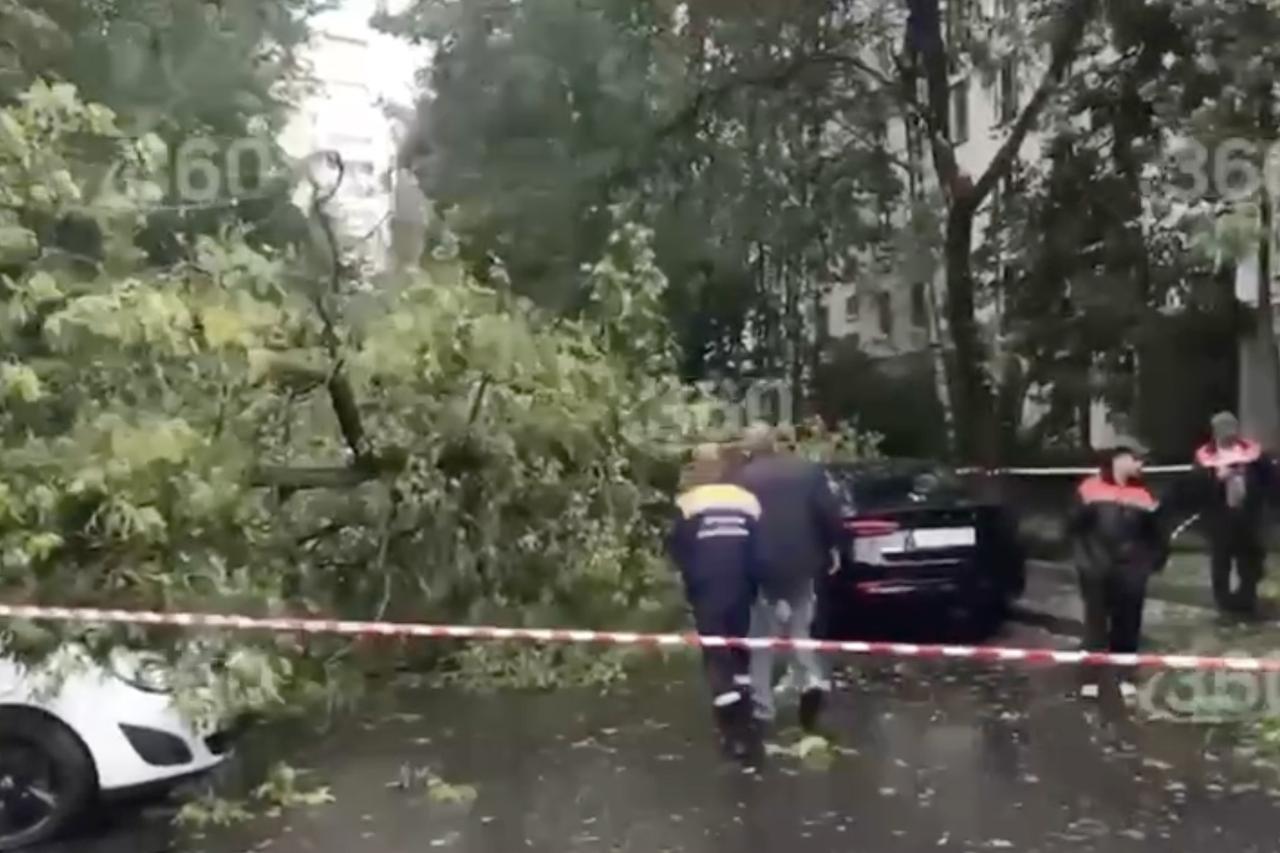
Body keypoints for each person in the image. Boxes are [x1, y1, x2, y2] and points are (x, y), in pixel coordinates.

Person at [733, 422, 848, 733]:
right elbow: (828, 513)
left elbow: (736, 525)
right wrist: (835, 548)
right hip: (802, 564)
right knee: (800, 628)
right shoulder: (807, 472)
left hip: (759, 568)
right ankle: (812, 679)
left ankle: (763, 707)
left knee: (760, 638)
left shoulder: (741, 479)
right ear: (774, 444)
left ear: (749, 448)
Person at [668, 443, 764, 765]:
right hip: (743, 582)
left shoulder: (688, 502)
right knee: (739, 643)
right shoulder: (746, 499)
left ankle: (732, 730)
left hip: (707, 584)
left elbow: (680, 548)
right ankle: (748, 711)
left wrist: (689, 582)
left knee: (715, 650)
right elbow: (758, 542)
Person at [1068, 436, 1170, 700]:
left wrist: (1150, 563)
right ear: (1119, 458)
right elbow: (1072, 530)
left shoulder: (1145, 494)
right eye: (1136, 459)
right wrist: (1085, 563)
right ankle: (1090, 679)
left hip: (1132, 573)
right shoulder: (1089, 489)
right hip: (1096, 572)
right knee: (1095, 628)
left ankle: (1126, 676)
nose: (1141, 464)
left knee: (1128, 628)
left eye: (1143, 460)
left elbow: (1158, 536)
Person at [1192, 411, 1276, 616]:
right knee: (1221, 562)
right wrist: (1216, 478)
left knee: (1250, 561)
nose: (1229, 436)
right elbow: (1194, 488)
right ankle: (1224, 603)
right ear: (1215, 434)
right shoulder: (1205, 457)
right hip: (1220, 519)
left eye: (1232, 431)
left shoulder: (1252, 453)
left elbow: (1272, 480)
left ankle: (1246, 600)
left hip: (1249, 516)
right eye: (1224, 432)